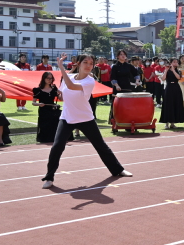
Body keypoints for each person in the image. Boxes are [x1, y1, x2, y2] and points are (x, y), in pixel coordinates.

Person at [41, 54, 132, 188]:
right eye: (85, 62)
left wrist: (61, 68)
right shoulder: (69, 77)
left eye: (91, 63)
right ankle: (49, 178)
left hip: (85, 118)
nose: (89, 65)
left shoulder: (89, 81)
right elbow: (62, 94)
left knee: (100, 146)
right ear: (78, 64)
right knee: (57, 146)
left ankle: (118, 170)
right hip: (67, 118)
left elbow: (71, 86)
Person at [33, 71, 67, 143]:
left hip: (53, 109)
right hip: (44, 110)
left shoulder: (54, 88)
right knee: (45, 125)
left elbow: (61, 99)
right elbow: (33, 103)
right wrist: (39, 104)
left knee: (57, 123)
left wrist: (62, 93)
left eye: (51, 78)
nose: (49, 80)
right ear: (44, 78)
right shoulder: (37, 90)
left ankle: (57, 138)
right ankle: (45, 139)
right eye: (48, 78)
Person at [160, 59, 184, 129]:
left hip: (176, 88)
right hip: (169, 87)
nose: (175, 63)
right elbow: (163, 78)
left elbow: (178, 77)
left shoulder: (178, 71)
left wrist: (173, 70)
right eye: (174, 62)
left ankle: (173, 123)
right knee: (168, 105)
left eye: (176, 62)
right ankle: (166, 124)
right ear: (170, 63)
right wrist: (166, 70)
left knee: (175, 104)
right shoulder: (167, 70)